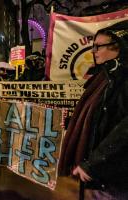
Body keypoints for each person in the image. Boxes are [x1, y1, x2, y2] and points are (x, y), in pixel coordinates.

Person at [59, 20, 128, 199]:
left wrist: (95, 163)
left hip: (114, 178)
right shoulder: (103, 76)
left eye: (98, 46)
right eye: (93, 46)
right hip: (99, 175)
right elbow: (100, 118)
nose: (93, 51)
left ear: (119, 46)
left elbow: (123, 130)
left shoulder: (122, 79)